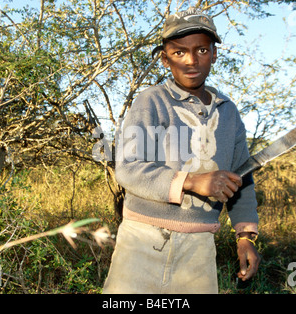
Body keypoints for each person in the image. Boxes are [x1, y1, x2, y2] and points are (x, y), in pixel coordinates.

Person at [103, 8, 260, 294]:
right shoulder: (151, 102)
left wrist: (245, 236)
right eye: (178, 53)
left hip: (198, 248)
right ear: (165, 59)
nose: (191, 61)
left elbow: (242, 180)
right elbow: (129, 167)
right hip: (141, 241)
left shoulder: (228, 113)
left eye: (201, 49)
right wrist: (192, 181)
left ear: (214, 54)